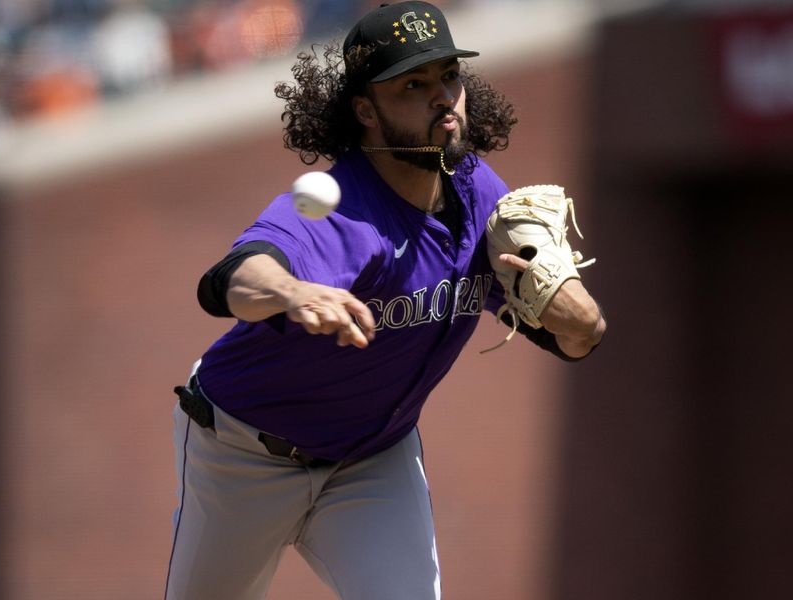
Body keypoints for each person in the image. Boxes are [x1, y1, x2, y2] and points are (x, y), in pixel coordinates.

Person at [164, 2, 606, 599]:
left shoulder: (476, 190)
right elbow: (234, 283)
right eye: (413, 85)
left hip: (372, 461)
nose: (442, 97)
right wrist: (291, 290)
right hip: (245, 456)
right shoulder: (340, 207)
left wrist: (580, 320)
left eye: (449, 75)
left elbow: (562, 333)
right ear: (365, 110)